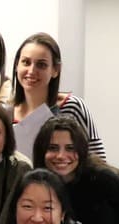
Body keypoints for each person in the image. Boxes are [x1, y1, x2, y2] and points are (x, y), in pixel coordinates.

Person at [10, 32, 106, 160]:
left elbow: (98, 160)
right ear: (17, 65)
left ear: (55, 69)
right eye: (26, 62)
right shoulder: (6, 115)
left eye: (41, 65)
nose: (31, 71)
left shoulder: (72, 107)